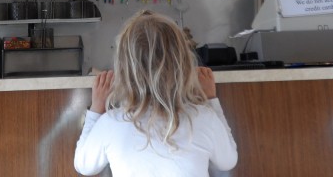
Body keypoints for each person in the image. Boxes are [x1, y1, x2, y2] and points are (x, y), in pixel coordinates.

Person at [74, 10, 238, 177]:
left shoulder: (111, 123)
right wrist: (211, 100)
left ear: (124, 69)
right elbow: (228, 161)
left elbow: (84, 166)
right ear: (183, 64)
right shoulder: (203, 117)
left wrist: (96, 109)